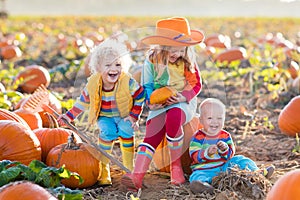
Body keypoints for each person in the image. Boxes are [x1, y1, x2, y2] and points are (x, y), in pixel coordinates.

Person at [121, 16, 205, 191]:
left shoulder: (187, 61)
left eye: (182, 50)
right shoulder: (151, 61)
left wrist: (183, 97)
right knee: (153, 130)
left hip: (182, 101)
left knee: (174, 118)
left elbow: (196, 85)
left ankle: (176, 168)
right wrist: (152, 102)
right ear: (163, 46)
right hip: (160, 103)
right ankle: (137, 176)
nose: (178, 54)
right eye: (174, 50)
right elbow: (148, 86)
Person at [57, 35, 145, 186]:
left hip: (124, 116)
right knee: (107, 132)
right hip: (104, 117)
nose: (113, 69)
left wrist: (133, 117)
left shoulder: (127, 82)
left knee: (126, 130)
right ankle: (104, 171)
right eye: (108, 65)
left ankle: (129, 170)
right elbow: (82, 103)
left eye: (117, 65)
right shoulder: (93, 84)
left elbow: (140, 95)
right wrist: (69, 116)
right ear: (98, 68)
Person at [189, 98, 275, 194]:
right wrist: (206, 152)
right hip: (205, 169)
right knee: (196, 176)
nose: (215, 122)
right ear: (201, 120)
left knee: (241, 160)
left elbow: (230, 154)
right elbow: (194, 156)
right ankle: (204, 186)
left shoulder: (225, 136)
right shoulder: (197, 137)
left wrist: (224, 149)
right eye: (210, 118)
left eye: (219, 118)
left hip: (224, 167)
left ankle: (256, 173)